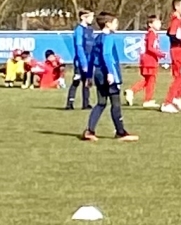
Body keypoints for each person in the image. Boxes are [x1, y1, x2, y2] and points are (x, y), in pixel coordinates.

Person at [81, 12, 137, 142]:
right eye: (115, 23)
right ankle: (120, 132)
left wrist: (89, 76)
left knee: (101, 103)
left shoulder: (97, 38)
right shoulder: (108, 38)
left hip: (98, 73)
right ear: (108, 24)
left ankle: (89, 130)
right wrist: (110, 73)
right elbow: (107, 55)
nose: (117, 25)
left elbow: (91, 58)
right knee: (115, 103)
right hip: (107, 73)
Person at [65, 9, 96, 111]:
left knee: (87, 81)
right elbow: (79, 47)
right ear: (83, 17)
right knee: (76, 81)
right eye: (90, 17)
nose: (92, 19)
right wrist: (83, 63)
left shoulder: (90, 30)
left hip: (89, 60)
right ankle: (70, 103)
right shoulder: (79, 30)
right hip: (81, 62)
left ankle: (86, 103)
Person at [130, 15, 163, 107]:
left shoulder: (151, 33)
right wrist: (160, 54)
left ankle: (132, 91)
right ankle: (147, 100)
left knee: (148, 80)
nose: (159, 24)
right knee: (151, 79)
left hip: (147, 59)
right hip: (149, 59)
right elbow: (150, 47)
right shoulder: (151, 34)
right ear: (150, 24)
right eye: (157, 23)